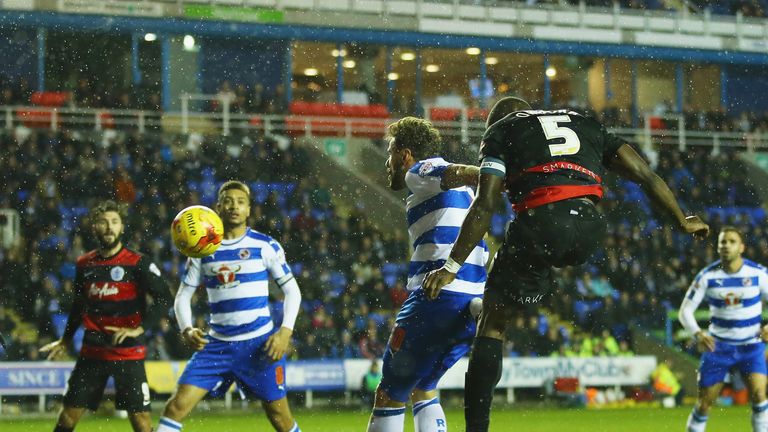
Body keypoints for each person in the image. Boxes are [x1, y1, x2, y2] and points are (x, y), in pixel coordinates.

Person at [423, 96, 710, 432]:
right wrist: (681, 219)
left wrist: (451, 266)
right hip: (590, 228)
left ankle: (477, 428)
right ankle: (544, 282)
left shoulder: (502, 130)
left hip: (541, 222)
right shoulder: (585, 122)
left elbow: (486, 203)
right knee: (547, 254)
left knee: (493, 323)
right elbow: (645, 175)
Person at [368, 117, 487, 432]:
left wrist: (490, 174)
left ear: (405, 154)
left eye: (390, 152)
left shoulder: (419, 170)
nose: (387, 161)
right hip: (474, 300)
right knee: (423, 387)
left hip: (437, 296)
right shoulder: (465, 196)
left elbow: (454, 172)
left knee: (389, 394)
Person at [155, 181, 302, 432]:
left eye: (240, 202)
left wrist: (284, 332)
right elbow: (182, 296)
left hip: (260, 345)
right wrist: (187, 329)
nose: (234, 206)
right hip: (217, 346)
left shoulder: (265, 246)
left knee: (280, 418)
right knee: (175, 408)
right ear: (217, 208)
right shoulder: (201, 249)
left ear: (248, 210)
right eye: (228, 201)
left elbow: (292, 291)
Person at [40, 200, 170, 432]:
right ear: (94, 228)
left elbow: (163, 298)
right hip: (93, 351)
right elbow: (79, 305)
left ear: (122, 227)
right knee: (67, 418)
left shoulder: (138, 263)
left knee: (141, 421)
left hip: (128, 352)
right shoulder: (84, 263)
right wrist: (66, 340)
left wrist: (140, 329)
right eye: (103, 222)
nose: (109, 227)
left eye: (114, 222)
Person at [678, 226, 768, 432]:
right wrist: (697, 333)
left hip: (751, 346)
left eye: (731, 241)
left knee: (760, 397)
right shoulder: (707, 276)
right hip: (718, 348)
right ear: (718, 248)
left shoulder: (759, 274)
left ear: (742, 247)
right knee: (704, 404)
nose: (726, 245)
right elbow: (685, 311)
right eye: (722, 242)